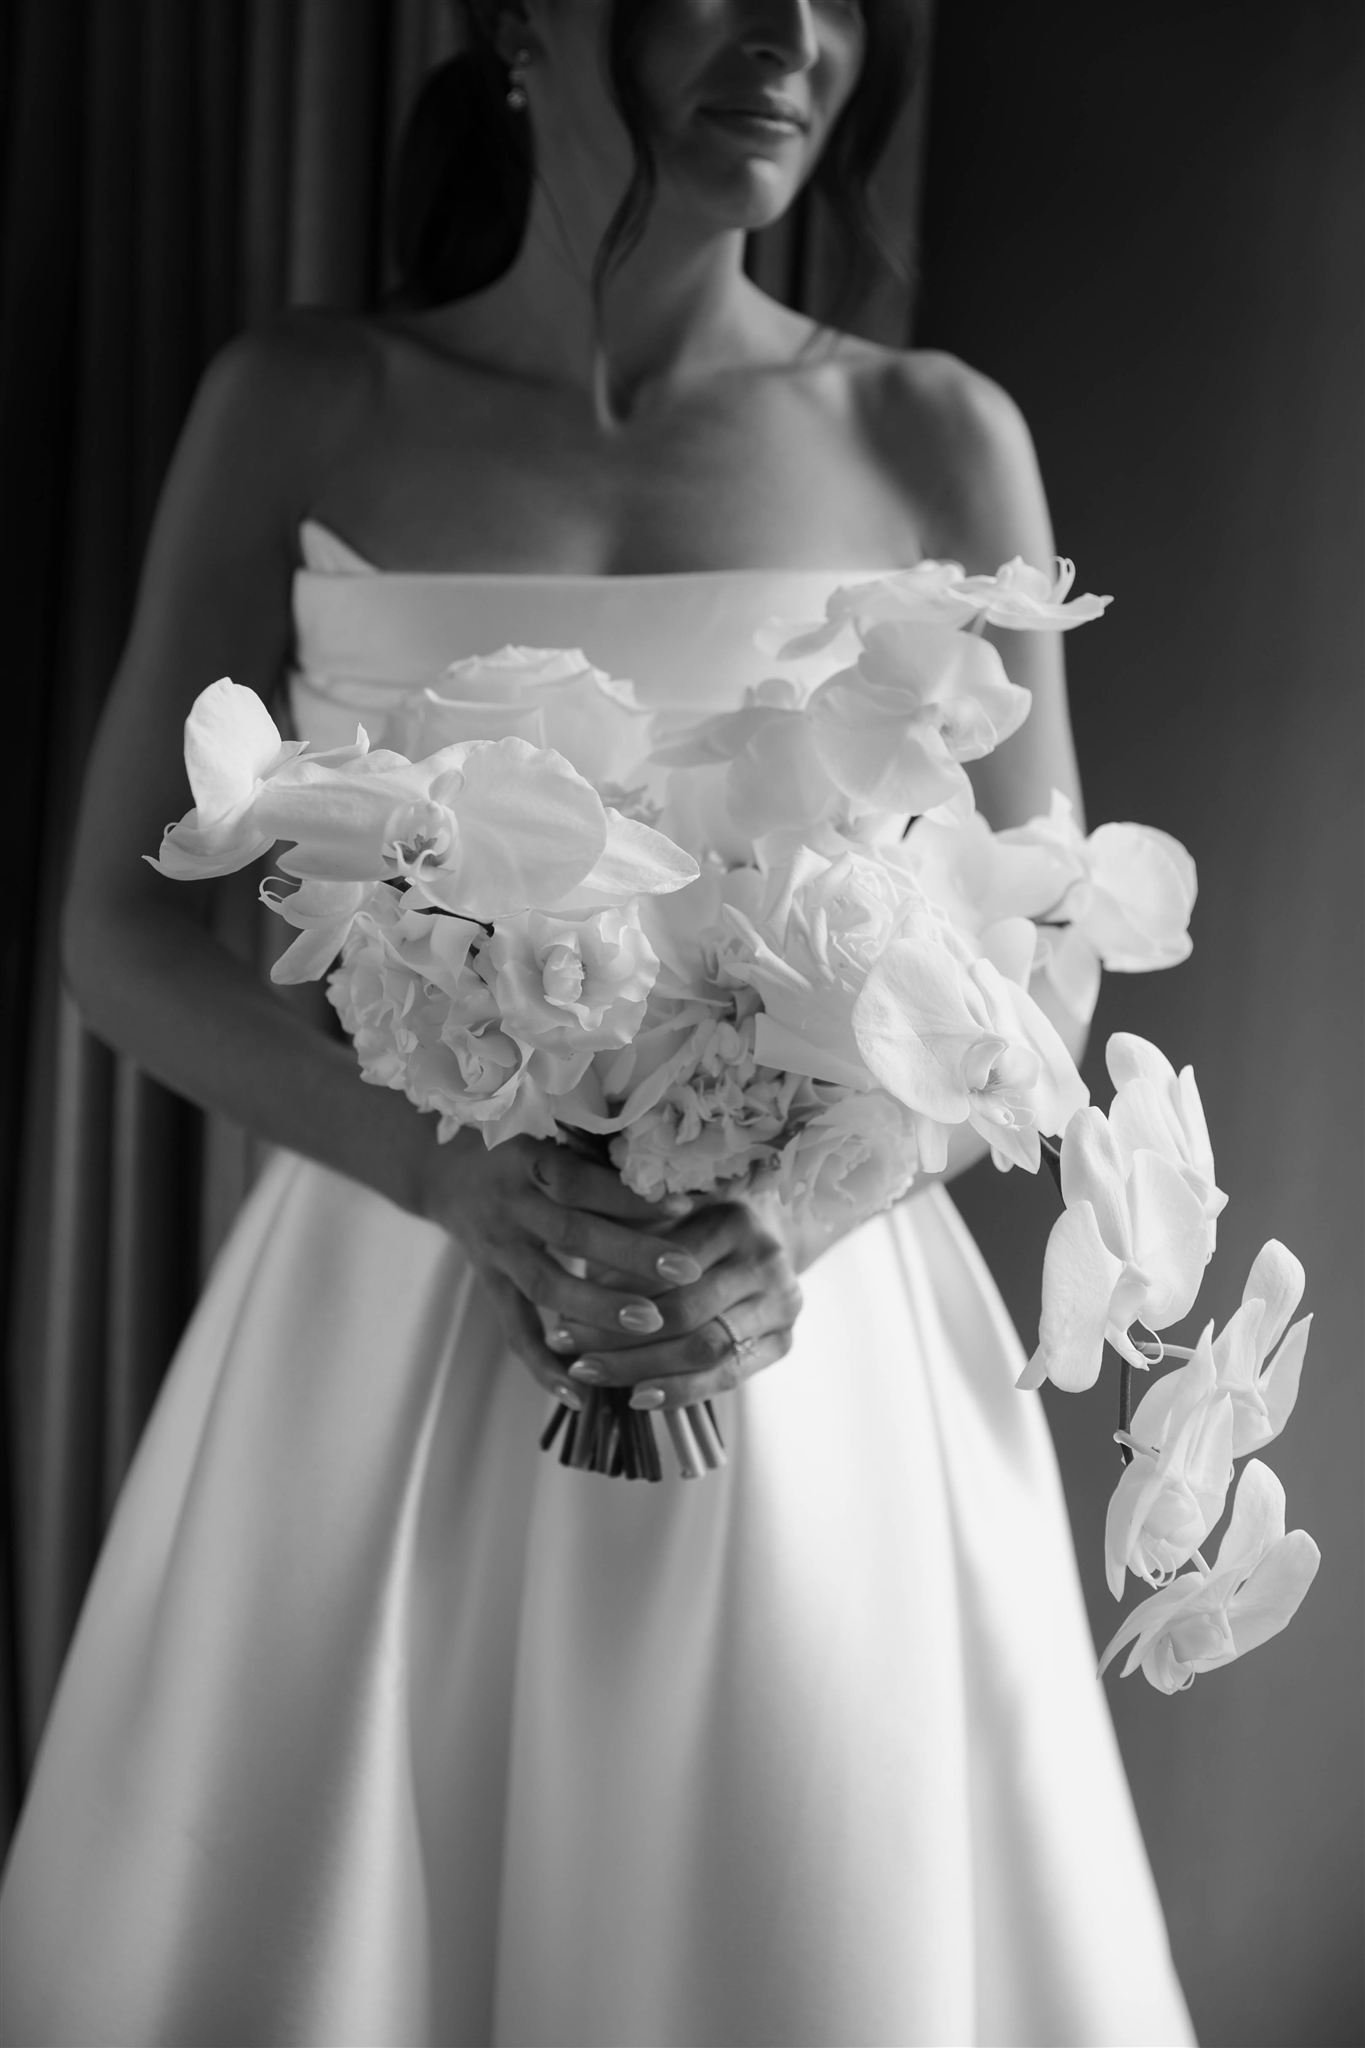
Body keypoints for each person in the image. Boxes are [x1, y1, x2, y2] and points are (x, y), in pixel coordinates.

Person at [0, 4, 1197, 2044]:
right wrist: (456, 1180)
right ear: (522, 23)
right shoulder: (302, 400)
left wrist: (780, 1229)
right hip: (383, 1305)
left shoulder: (932, 432)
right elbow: (122, 929)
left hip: (810, 1351)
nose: (794, 38)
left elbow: (1039, 961)